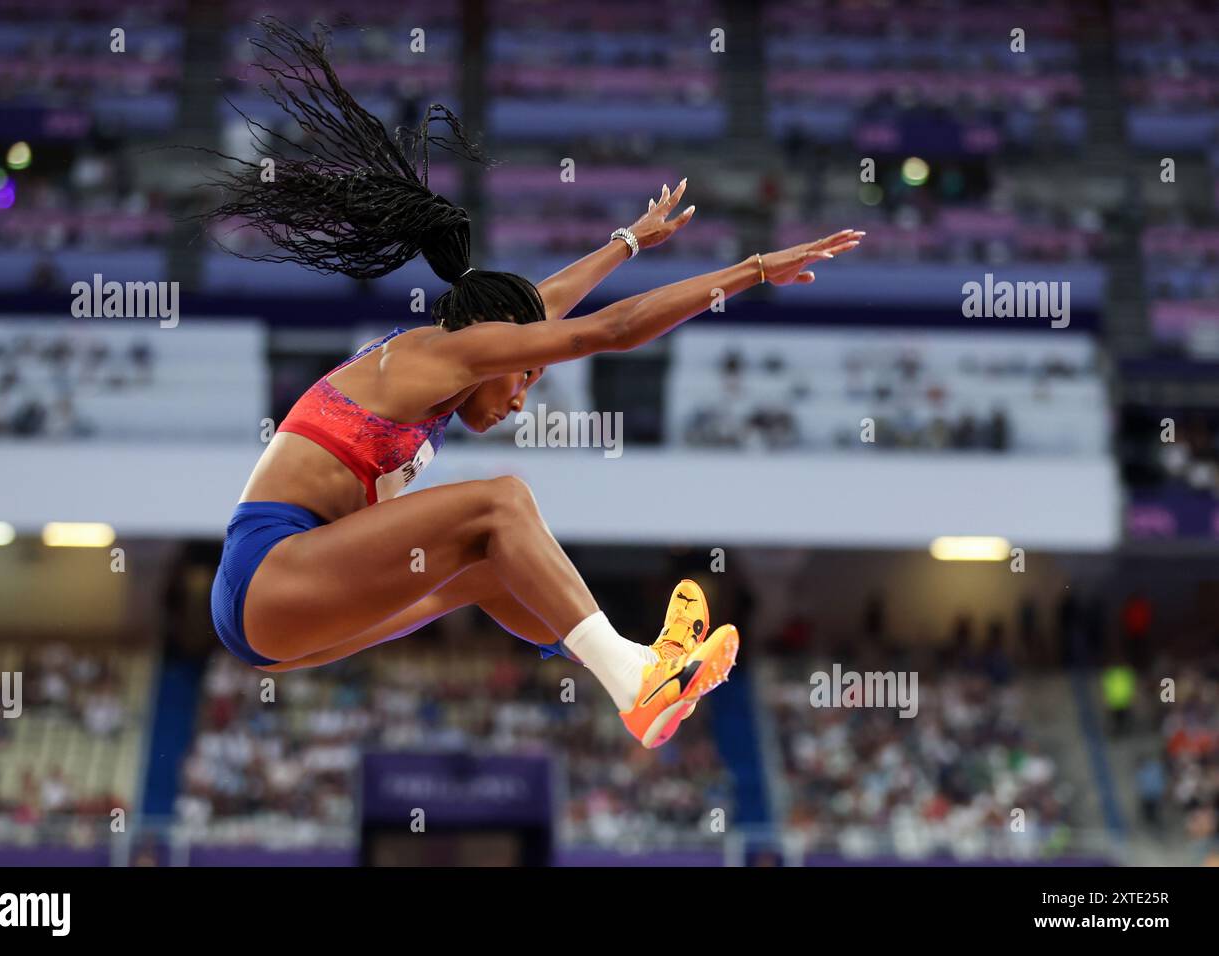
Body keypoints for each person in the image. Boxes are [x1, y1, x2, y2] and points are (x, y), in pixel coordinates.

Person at [204, 19, 862, 748]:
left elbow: (542, 307)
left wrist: (628, 243)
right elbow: (605, 332)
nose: (522, 395)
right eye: (523, 374)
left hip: (287, 616)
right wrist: (753, 270)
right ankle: (638, 680)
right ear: (490, 343)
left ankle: (637, 671)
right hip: (269, 577)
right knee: (503, 500)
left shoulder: (455, 357)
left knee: (492, 567)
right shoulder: (434, 356)